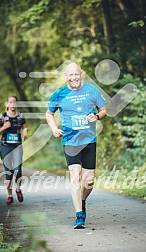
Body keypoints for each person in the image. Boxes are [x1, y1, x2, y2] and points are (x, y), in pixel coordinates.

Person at [46, 63, 107, 229]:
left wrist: (97, 116)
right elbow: (49, 113)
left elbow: (104, 110)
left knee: (89, 182)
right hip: (70, 141)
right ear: (66, 76)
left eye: (76, 74)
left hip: (89, 141)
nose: (73, 77)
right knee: (75, 174)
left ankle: (83, 200)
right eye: (70, 75)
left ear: (81, 74)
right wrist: (53, 128)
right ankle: (79, 214)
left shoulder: (91, 90)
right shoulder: (59, 93)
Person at [0, 96, 28, 205]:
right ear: (7, 104)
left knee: (18, 169)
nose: (12, 104)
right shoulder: (3, 117)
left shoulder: (20, 116)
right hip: (5, 147)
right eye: (10, 102)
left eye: (14, 102)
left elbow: (25, 126)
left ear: (16, 104)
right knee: (8, 172)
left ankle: (18, 189)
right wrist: (4, 127)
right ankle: (9, 195)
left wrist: (25, 131)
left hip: (17, 146)